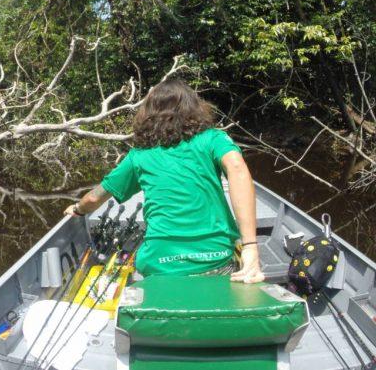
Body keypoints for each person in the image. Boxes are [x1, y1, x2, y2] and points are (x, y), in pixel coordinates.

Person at [64, 79, 263, 283]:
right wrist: (250, 246)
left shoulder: (138, 155)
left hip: (160, 262)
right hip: (214, 259)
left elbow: (95, 198)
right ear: (194, 108)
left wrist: (78, 209)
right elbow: (237, 167)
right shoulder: (213, 138)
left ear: (148, 114)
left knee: (140, 268)